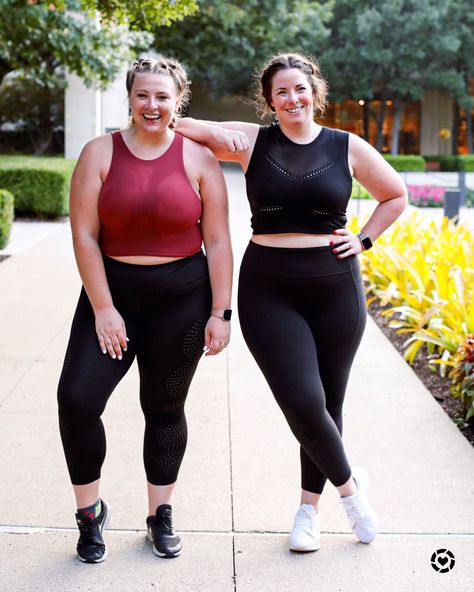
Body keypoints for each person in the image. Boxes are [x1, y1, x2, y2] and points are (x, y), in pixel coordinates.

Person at [177, 52, 407, 552]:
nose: (292, 98)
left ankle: (309, 510)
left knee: (328, 403)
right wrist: (214, 129)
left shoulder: (347, 146)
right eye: (281, 91)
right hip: (268, 288)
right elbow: (181, 124)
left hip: (335, 287)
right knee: (301, 399)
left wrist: (364, 240)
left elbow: (396, 195)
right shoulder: (253, 141)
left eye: (300, 89)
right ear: (269, 101)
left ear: (314, 92)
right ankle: (351, 493)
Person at [57, 56, 233, 563]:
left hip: (182, 300)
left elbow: (218, 242)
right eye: (142, 95)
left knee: (163, 410)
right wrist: (104, 308)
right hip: (112, 295)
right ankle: (90, 516)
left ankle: (160, 514)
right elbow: (85, 235)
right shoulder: (98, 153)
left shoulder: (198, 159)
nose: (151, 105)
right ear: (129, 98)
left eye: (162, 97)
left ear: (178, 102)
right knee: (77, 401)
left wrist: (221, 313)